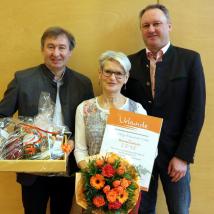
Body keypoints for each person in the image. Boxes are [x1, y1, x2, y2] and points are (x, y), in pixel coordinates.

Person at [122, 4, 206, 214]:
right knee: (142, 211)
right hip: (139, 157)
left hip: (175, 157)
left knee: (179, 210)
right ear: (141, 30)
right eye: (146, 25)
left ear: (169, 26)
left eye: (157, 24)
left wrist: (184, 156)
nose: (151, 29)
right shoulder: (129, 63)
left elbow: (196, 112)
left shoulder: (190, 60)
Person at [0, 26, 94, 214]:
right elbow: (2, 116)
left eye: (62, 47)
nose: (56, 53)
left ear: (70, 51)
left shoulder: (83, 83)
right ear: (42, 49)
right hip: (31, 168)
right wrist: (16, 140)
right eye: (50, 47)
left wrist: (75, 142)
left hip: (67, 166)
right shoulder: (22, 79)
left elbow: (88, 124)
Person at [74, 50, 146, 170]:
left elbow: (146, 151)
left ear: (126, 78)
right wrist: (94, 176)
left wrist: (124, 180)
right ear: (100, 73)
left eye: (119, 73)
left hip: (126, 184)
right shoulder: (84, 108)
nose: (112, 78)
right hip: (93, 181)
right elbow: (80, 150)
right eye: (108, 72)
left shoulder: (137, 110)